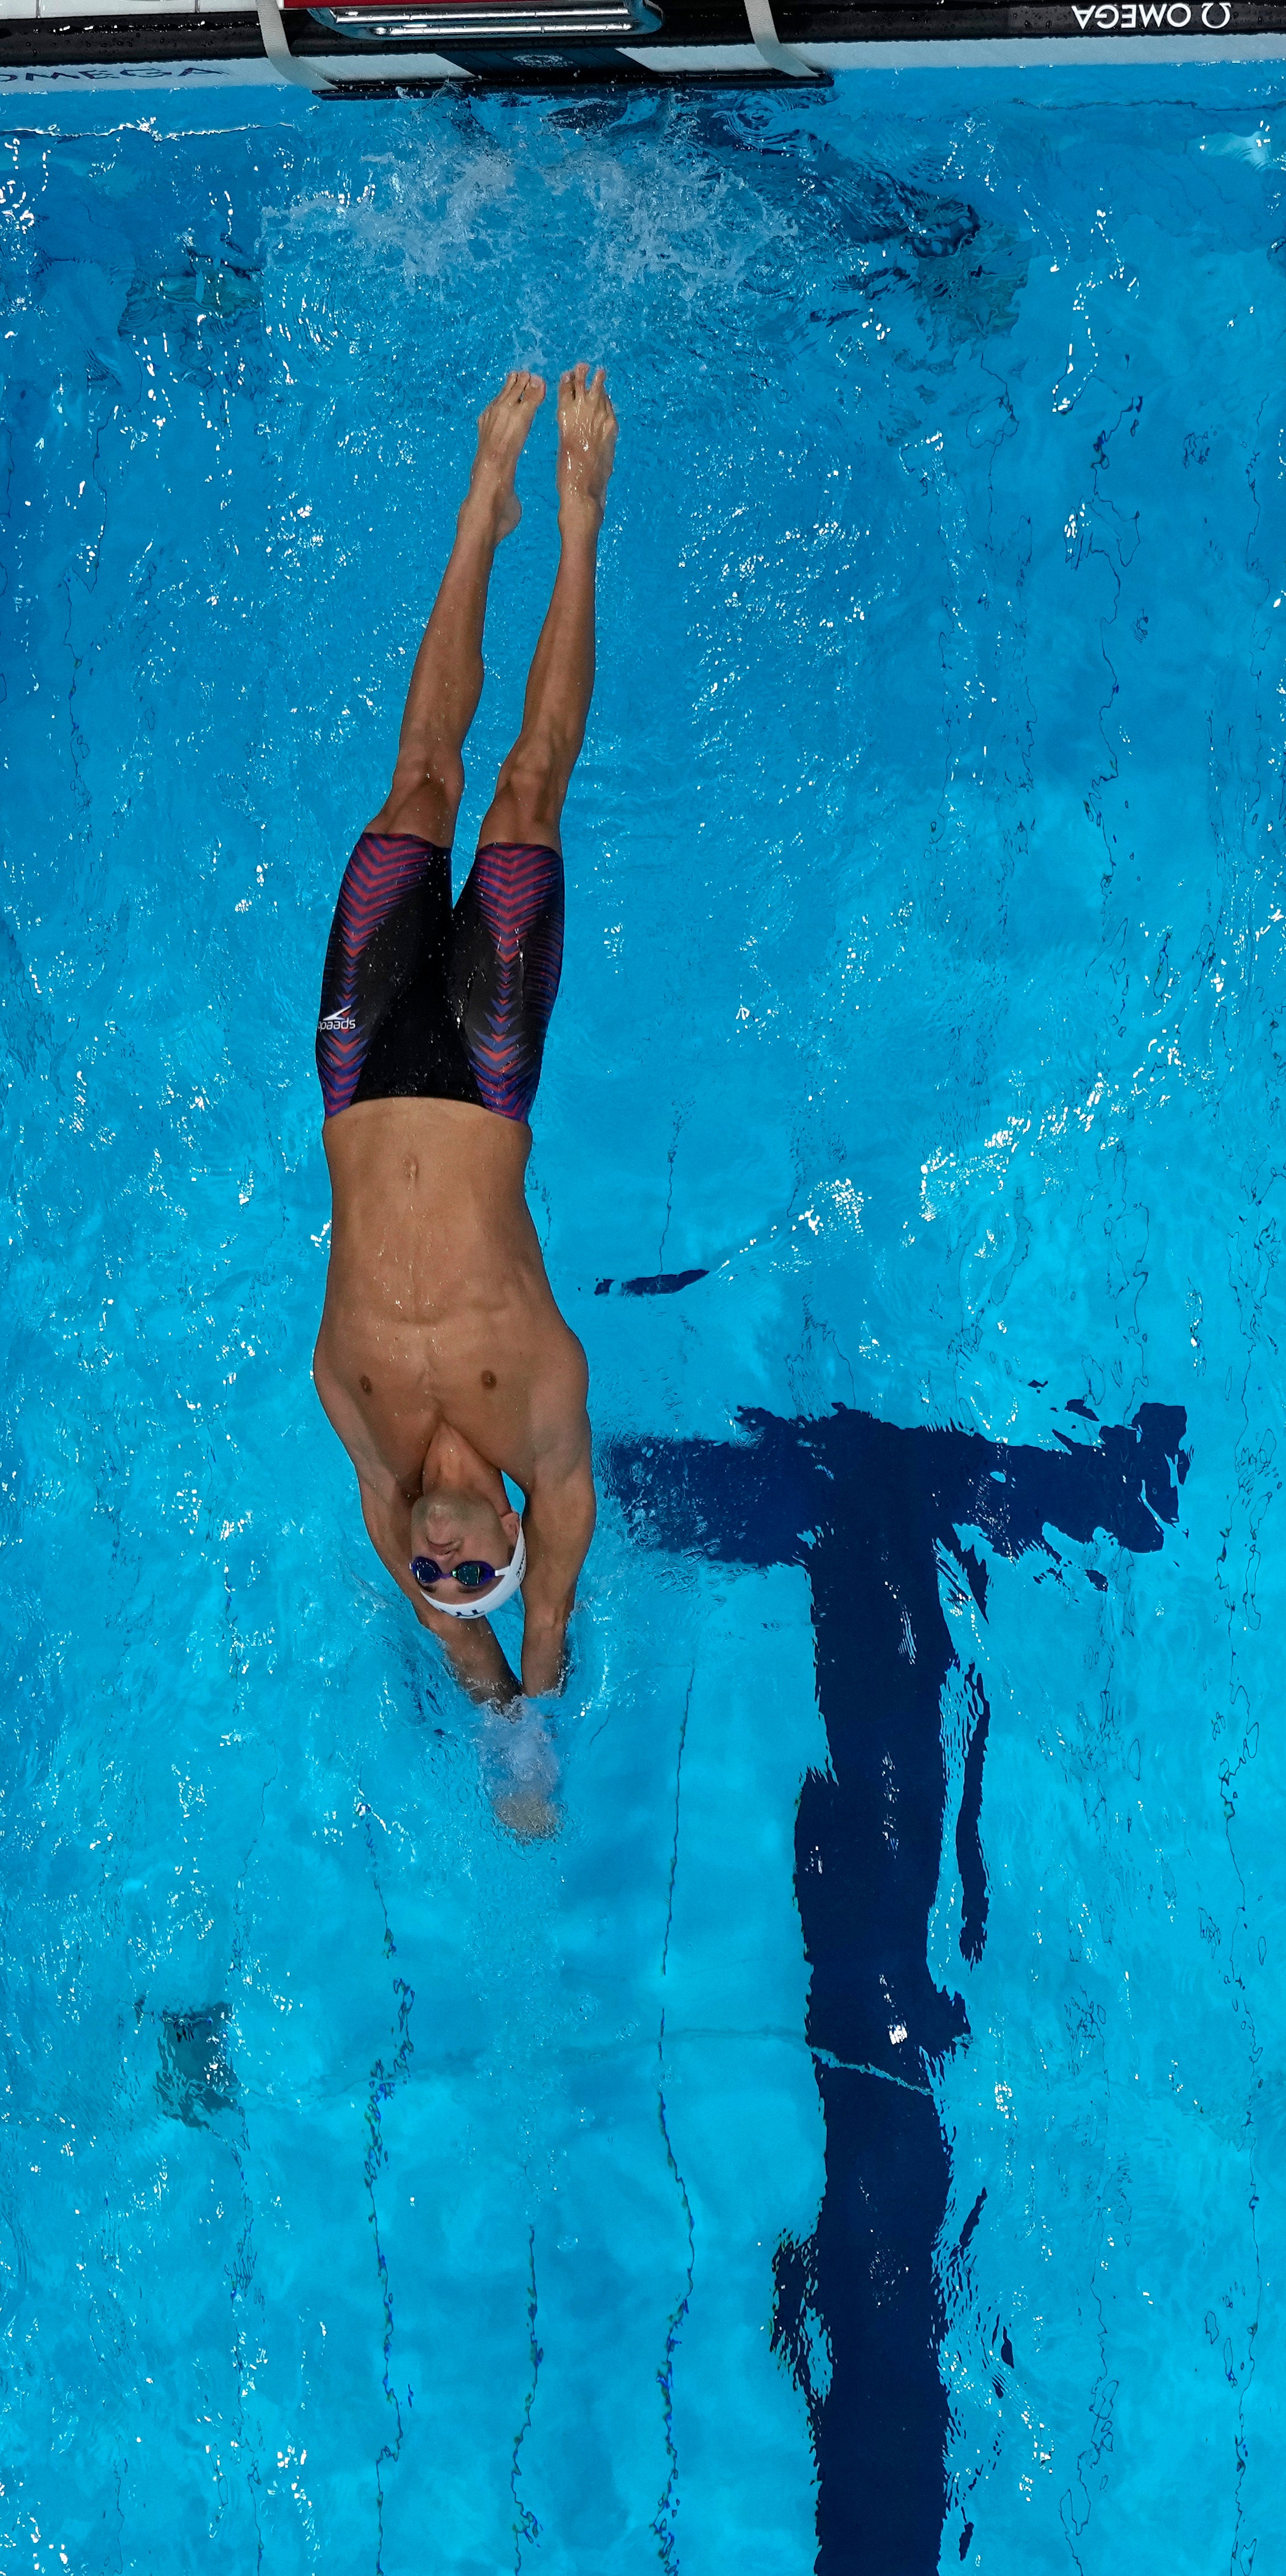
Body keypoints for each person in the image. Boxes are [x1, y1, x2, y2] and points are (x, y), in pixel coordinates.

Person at [309, 366, 612, 1825]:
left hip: (359, 1066)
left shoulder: (362, 1427)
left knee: (417, 779)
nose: (442, 1565)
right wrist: (533, 1716)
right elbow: (540, 1619)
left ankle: (472, 520)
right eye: (465, 1565)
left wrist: (475, 1696)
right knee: (528, 795)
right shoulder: (542, 1410)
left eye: (430, 1576)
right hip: (486, 1073)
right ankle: (568, 515)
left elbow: (451, 1633)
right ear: (504, 1523)